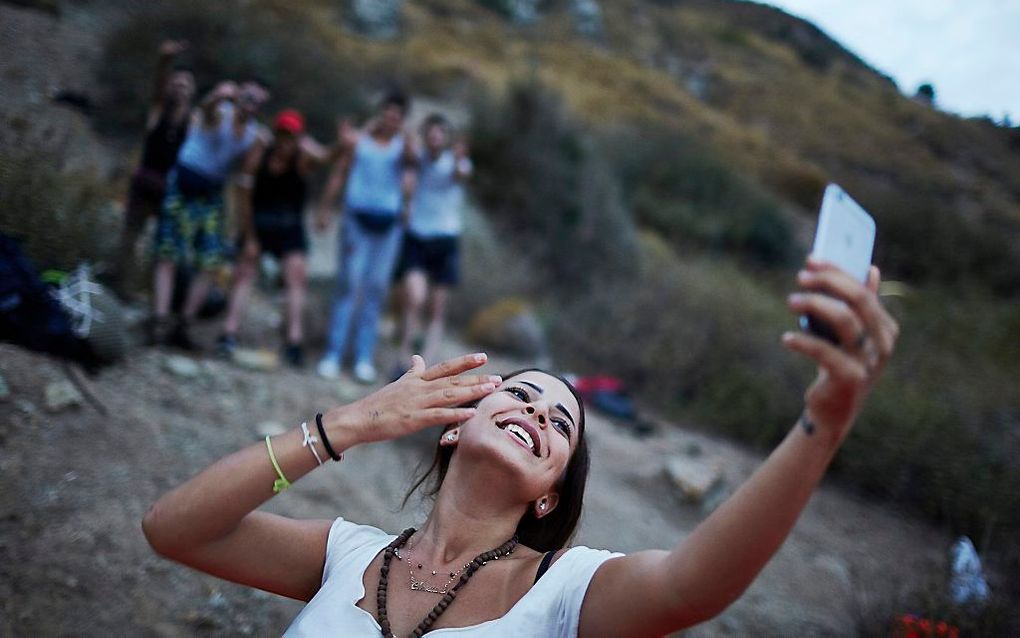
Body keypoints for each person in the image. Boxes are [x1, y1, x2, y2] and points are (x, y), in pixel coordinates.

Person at [143, 257, 899, 636]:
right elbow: (174, 528)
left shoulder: (562, 593)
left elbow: (694, 585)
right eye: (522, 394)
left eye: (561, 424)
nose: (537, 414)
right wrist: (346, 425)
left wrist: (820, 427)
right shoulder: (344, 553)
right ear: (455, 425)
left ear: (549, 491)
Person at [150, 79, 270, 349]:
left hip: (211, 192)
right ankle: (159, 320)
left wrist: (259, 149)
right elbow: (206, 109)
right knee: (167, 253)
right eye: (250, 98)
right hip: (183, 181)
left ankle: (184, 322)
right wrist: (217, 94)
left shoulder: (252, 134)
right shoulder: (220, 112)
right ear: (240, 94)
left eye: (259, 103)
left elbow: (246, 175)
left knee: (211, 260)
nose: (252, 106)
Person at [216, 109, 339, 368]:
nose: (286, 141)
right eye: (282, 134)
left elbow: (327, 158)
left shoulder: (303, 158)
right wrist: (249, 237)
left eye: (291, 136)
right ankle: (229, 332)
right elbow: (243, 195)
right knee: (244, 272)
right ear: (275, 134)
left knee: (296, 276)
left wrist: (339, 143)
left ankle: (294, 341)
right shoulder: (260, 154)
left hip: (289, 226)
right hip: (258, 223)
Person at [314, 91, 418, 384]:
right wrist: (325, 208)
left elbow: (414, 162)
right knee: (349, 284)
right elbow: (338, 172)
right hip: (356, 220)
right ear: (381, 111)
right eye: (388, 112)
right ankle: (333, 354)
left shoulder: (403, 148)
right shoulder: (359, 141)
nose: (391, 118)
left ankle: (363, 357)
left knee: (375, 290)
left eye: (397, 114)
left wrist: (405, 134)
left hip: (388, 226)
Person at [111, 40, 195, 299]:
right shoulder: (158, 110)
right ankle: (120, 287)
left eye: (185, 85)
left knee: (163, 246)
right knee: (129, 236)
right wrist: (165, 61)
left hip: (170, 189)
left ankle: (149, 293)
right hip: (145, 182)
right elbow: (158, 86)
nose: (179, 89)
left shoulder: (192, 121)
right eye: (176, 83)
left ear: (192, 91)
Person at [395, 114, 473, 366]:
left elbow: (460, 174)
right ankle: (406, 359)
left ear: (447, 139)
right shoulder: (418, 160)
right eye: (431, 133)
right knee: (413, 297)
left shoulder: (456, 164)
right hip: (417, 235)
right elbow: (405, 155)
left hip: (445, 238)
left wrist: (460, 158)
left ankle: (427, 363)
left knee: (437, 307)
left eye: (440, 133)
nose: (435, 137)